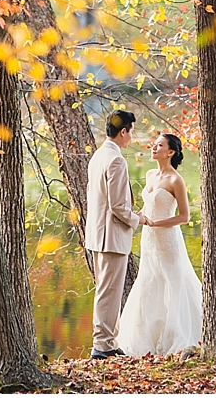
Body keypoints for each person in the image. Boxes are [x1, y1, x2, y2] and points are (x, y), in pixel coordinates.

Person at [116, 132, 202, 357]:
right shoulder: (150, 174)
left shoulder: (176, 180)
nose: (154, 148)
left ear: (171, 152)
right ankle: (147, 337)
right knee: (150, 280)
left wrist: (156, 223)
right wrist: (140, 216)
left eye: (159, 145)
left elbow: (184, 216)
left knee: (173, 281)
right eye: (154, 145)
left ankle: (175, 333)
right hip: (149, 239)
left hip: (167, 239)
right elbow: (148, 207)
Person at [85, 110, 149, 360]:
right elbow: (118, 206)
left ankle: (105, 342)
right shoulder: (116, 160)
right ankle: (103, 346)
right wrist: (138, 219)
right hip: (111, 236)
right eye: (130, 132)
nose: (131, 138)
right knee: (109, 293)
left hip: (97, 234)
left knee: (105, 290)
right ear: (123, 132)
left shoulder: (98, 156)